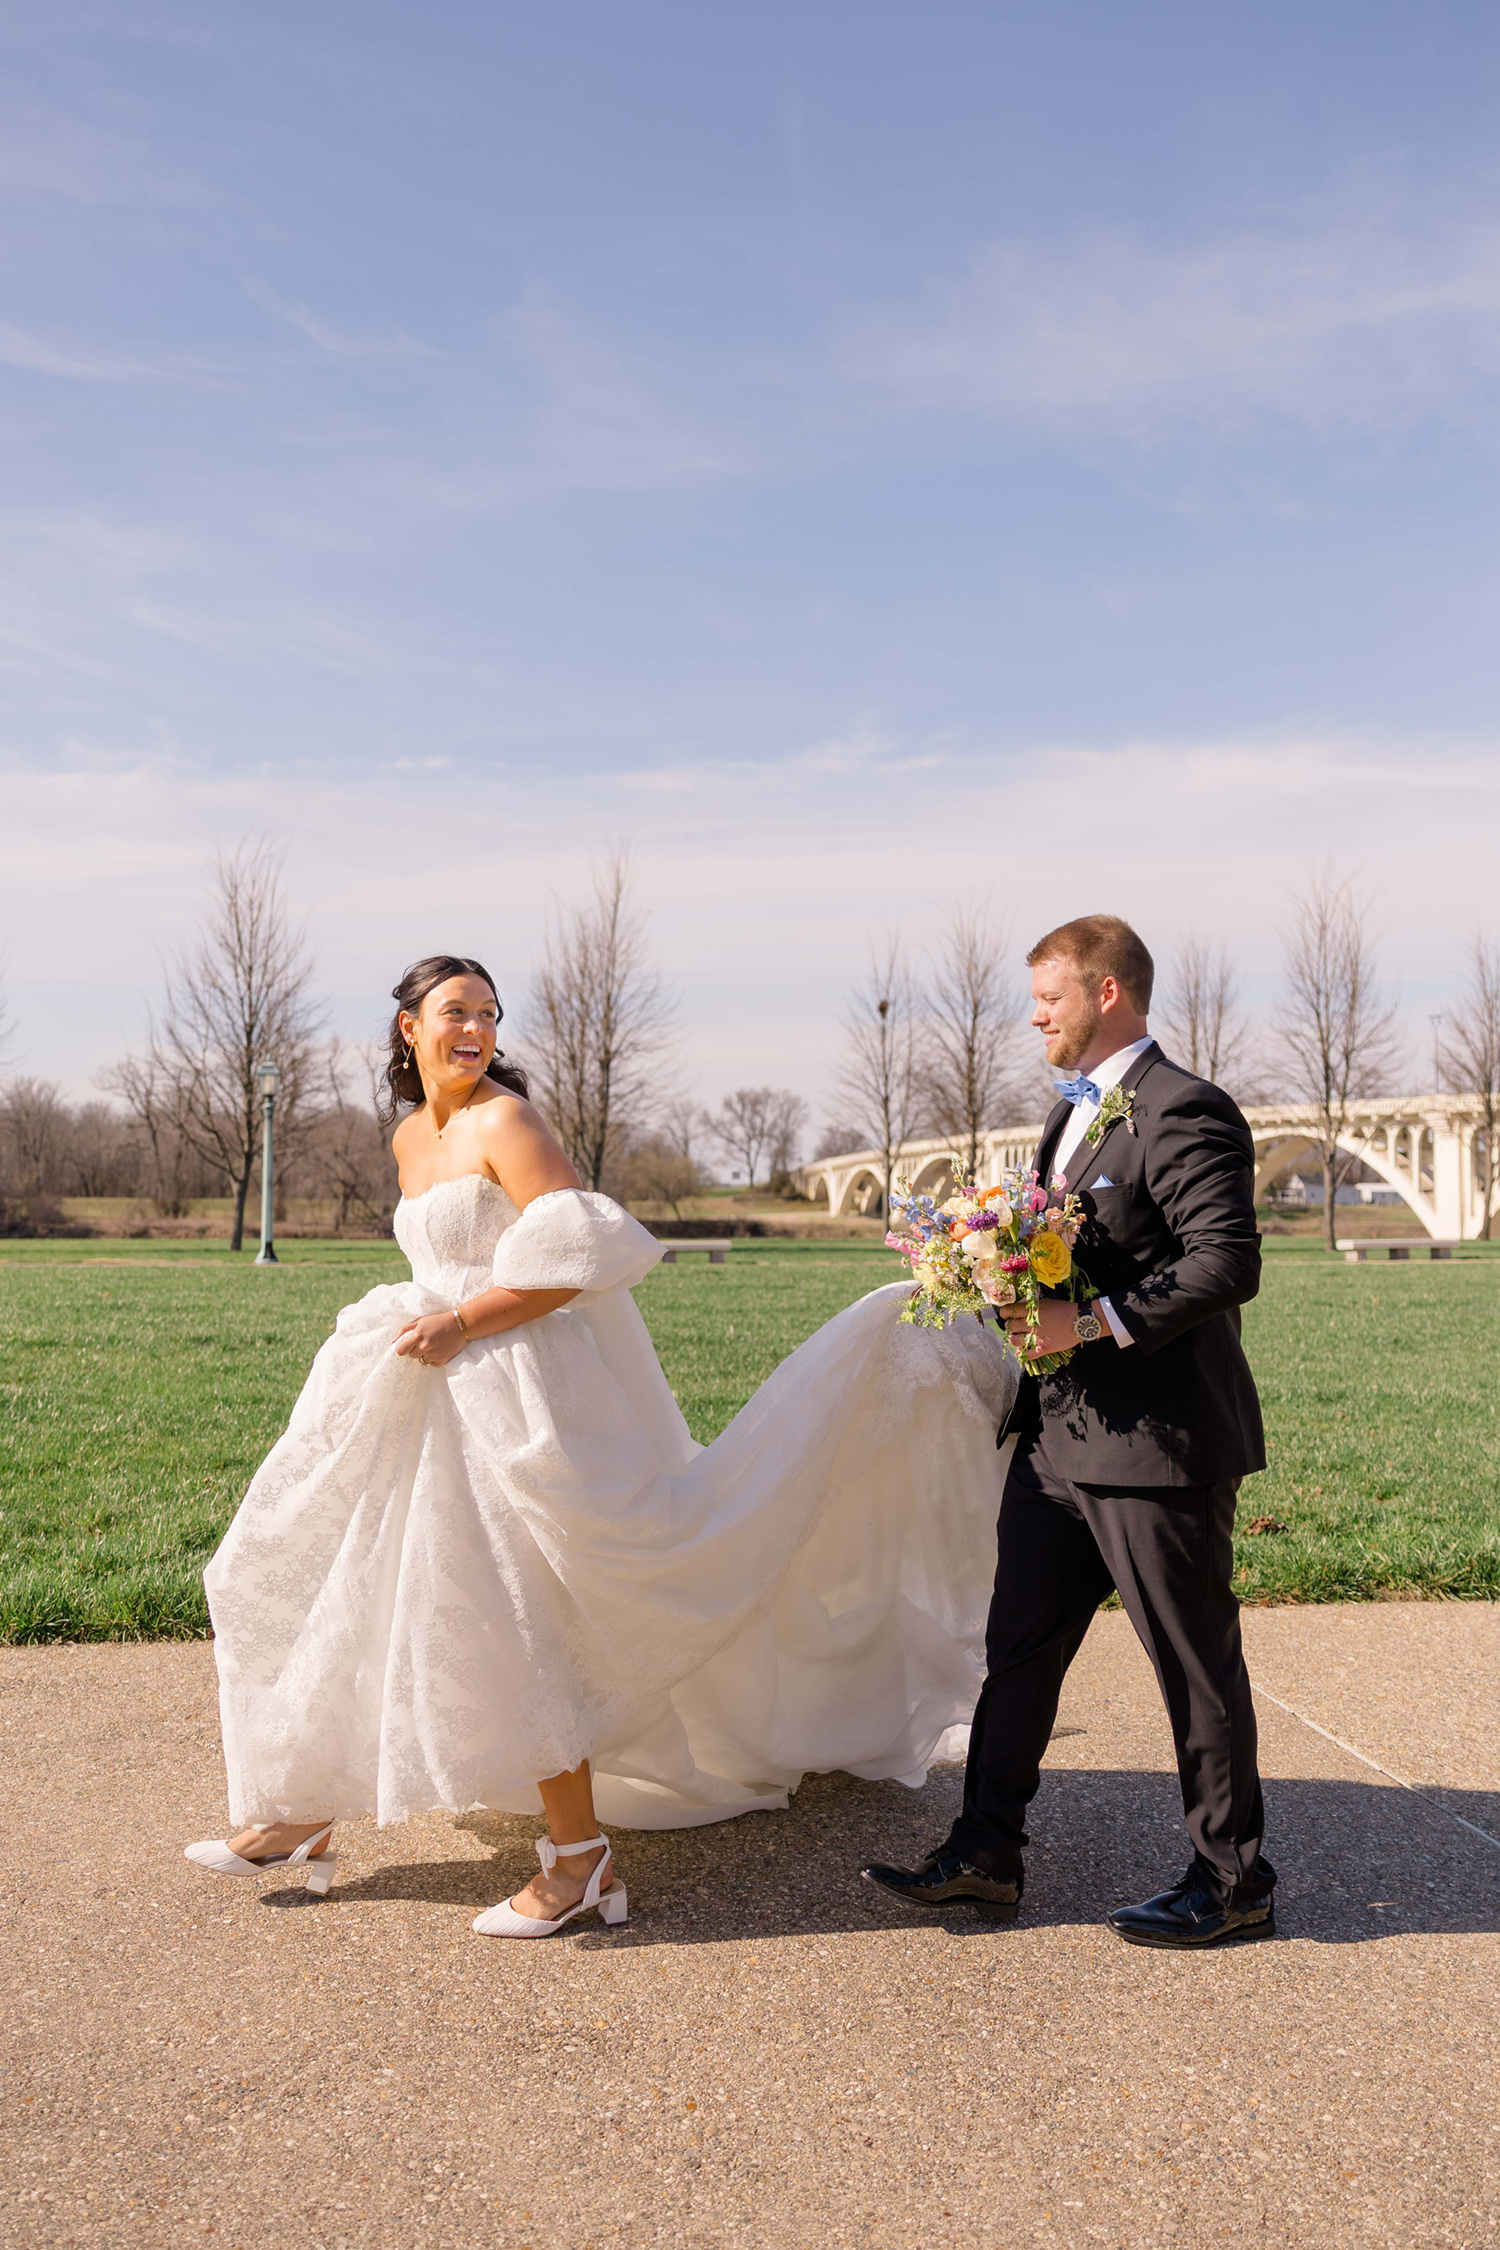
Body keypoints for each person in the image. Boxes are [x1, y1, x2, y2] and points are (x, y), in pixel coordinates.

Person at [186, 954, 1017, 1936]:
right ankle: (306, 1809)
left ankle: (579, 1859)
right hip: (425, 1392)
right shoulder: (410, 1134)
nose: (475, 1030)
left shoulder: (508, 1121)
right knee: (368, 1582)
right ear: (408, 1026)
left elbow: (579, 1260)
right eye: (455, 1012)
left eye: (488, 1014)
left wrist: (465, 1322)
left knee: (519, 1612)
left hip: (514, 1392)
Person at [863, 915, 1273, 1949]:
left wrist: (1086, 1322)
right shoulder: (1067, 1115)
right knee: (1019, 1650)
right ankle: (985, 1854)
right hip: (1057, 1438)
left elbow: (1227, 1261)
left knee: (1192, 1664)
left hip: (1157, 1447)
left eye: (1050, 997)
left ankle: (1234, 1880)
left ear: (1108, 993)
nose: (1036, 1016)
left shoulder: (1186, 1108)